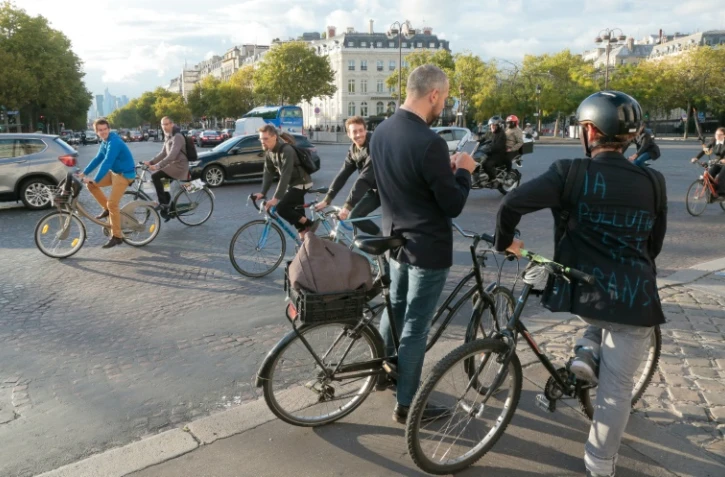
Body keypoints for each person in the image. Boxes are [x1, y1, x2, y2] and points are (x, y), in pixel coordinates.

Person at [494, 91, 667, 477]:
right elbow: (653, 246)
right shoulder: (653, 181)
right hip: (635, 300)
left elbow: (510, 205)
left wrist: (506, 241)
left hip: (583, 293)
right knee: (617, 391)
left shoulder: (569, 172)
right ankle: (600, 464)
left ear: (588, 131)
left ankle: (587, 350)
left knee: (598, 318)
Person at [370, 64, 477, 423]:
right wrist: (463, 170)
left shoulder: (381, 131)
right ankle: (408, 405)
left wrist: (439, 171)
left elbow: (402, 180)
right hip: (426, 247)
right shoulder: (430, 141)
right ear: (433, 94)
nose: (443, 105)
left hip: (394, 240)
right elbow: (453, 205)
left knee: (394, 309)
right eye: (444, 98)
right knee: (416, 325)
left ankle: (384, 373)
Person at [314, 116, 380, 235]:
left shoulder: (374, 146)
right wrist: (327, 199)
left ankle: (393, 246)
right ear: (348, 134)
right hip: (374, 190)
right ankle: (383, 243)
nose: (358, 135)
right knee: (355, 216)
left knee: (394, 223)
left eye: (361, 130)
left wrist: (347, 206)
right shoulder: (353, 150)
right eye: (354, 132)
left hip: (390, 190)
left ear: (365, 130)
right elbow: (343, 175)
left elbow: (364, 179)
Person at [78, 118, 136, 249]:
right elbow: (97, 159)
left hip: (125, 174)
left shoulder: (114, 142)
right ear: (96, 132)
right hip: (115, 173)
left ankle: (117, 236)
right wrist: (84, 173)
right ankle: (107, 210)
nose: (103, 132)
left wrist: (96, 179)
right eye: (100, 130)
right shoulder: (105, 142)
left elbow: (107, 162)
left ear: (109, 129)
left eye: (105, 129)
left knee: (112, 204)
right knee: (91, 185)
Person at [253, 125, 315, 236]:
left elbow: (285, 175)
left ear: (275, 137)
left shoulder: (287, 150)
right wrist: (262, 193)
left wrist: (275, 199)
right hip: (292, 185)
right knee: (296, 215)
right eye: (261, 139)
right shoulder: (269, 152)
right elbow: (268, 173)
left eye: (265, 139)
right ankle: (305, 244)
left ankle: (310, 223)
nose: (263, 142)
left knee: (282, 208)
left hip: (302, 183)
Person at [144, 117, 189, 217]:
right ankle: (167, 208)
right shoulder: (168, 136)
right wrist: (151, 162)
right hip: (173, 164)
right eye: (162, 124)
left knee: (155, 176)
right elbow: (163, 153)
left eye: (166, 124)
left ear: (172, 124)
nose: (164, 126)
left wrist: (157, 166)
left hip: (179, 166)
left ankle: (163, 204)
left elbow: (171, 155)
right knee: (164, 183)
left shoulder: (177, 137)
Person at [691, 127, 725, 197]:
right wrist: (696, 158)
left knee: (721, 176)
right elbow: (705, 150)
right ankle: (713, 192)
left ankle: (721, 193)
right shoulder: (714, 141)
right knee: (710, 174)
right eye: (716, 134)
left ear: (724, 135)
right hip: (718, 161)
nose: (717, 136)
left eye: (720, 134)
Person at [479, 117, 507, 181]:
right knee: (479, 160)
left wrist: (488, 149)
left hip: (498, 154)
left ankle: (493, 178)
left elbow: (498, 146)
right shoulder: (490, 132)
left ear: (498, 126)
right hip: (491, 152)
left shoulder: (501, 134)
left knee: (486, 164)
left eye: (494, 125)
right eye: (491, 125)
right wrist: (477, 141)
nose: (492, 127)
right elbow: (483, 138)